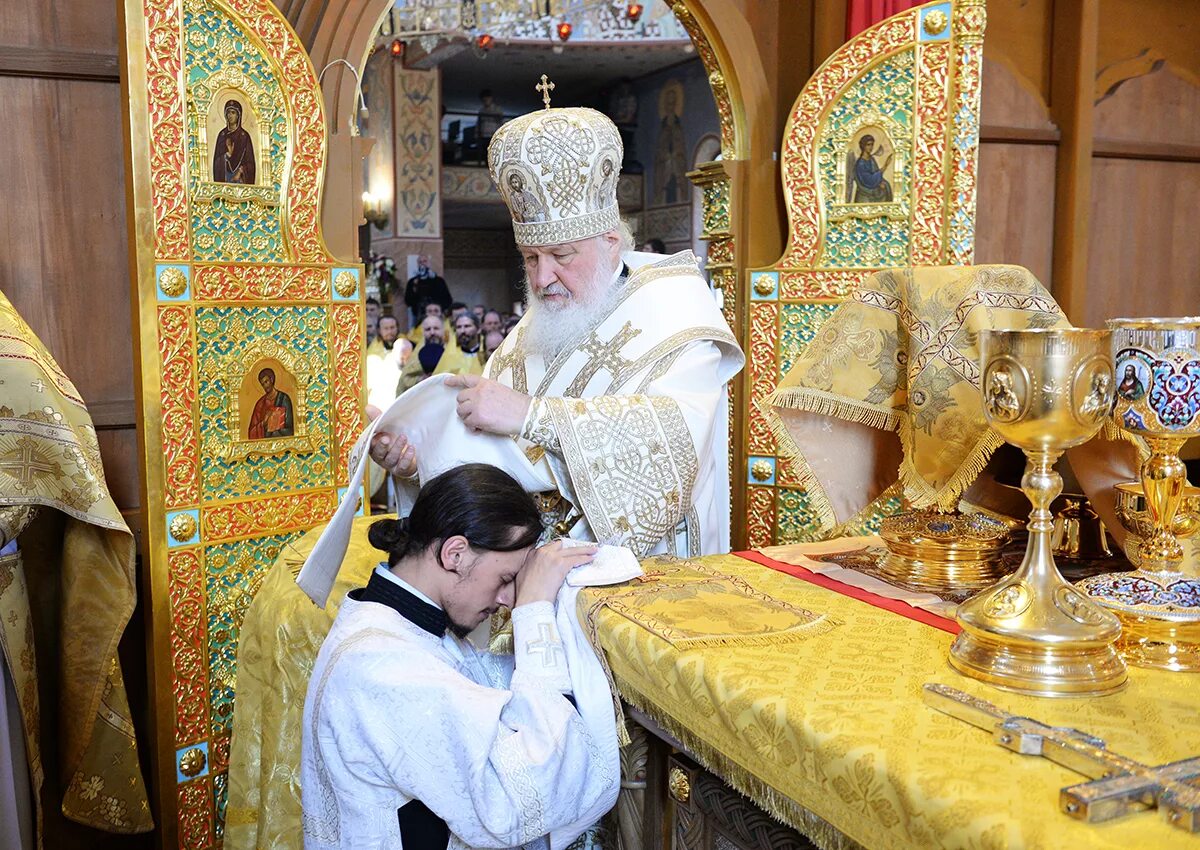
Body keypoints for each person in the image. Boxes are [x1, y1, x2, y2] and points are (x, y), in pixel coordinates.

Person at [372, 94, 744, 556]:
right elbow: (493, 458)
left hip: (637, 583)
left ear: (610, 242)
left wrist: (531, 415)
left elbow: (672, 444)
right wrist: (418, 459)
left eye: (560, 256)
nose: (542, 278)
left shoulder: (675, 312)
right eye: (530, 259)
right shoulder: (532, 330)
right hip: (521, 577)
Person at [301, 465, 615, 849]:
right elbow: (516, 804)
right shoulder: (382, 667)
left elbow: (482, 695)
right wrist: (533, 610)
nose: (505, 601)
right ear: (455, 554)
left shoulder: (397, 622)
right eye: (504, 580)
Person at [397, 314, 447, 393]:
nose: (432, 332)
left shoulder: (452, 352)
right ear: (423, 332)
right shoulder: (416, 354)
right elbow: (404, 380)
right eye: (428, 329)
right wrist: (420, 379)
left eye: (436, 328)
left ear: (443, 330)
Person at [212, 98, 256, 184]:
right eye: (228, 113)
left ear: (238, 115)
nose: (230, 116)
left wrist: (240, 171)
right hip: (225, 177)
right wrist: (226, 156)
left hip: (240, 179)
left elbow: (250, 163)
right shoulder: (222, 135)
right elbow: (216, 161)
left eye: (233, 113)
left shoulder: (244, 136)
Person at [433, 312, 485, 378]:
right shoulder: (450, 355)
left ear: (479, 329)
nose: (462, 331)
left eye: (467, 326)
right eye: (459, 327)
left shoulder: (487, 352)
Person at [403, 255, 451, 326]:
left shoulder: (439, 281)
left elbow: (448, 299)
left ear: (429, 263)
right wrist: (414, 288)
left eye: (425, 261)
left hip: (437, 316)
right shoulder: (412, 282)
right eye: (420, 262)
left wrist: (438, 309)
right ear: (417, 265)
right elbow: (408, 301)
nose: (422, 264)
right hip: (419, 317)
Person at [248, 367, 295, 439]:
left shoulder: (283, 398)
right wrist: (263, 423)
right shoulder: (260, 403)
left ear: (272, 380)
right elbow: (252, 431)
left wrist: (274, 428)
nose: (265, 386)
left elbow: (290, 428)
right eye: (262, 384)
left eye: (266, 382)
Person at [848, 134, 893, 203]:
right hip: (865, 195)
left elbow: (876, 175)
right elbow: (869, 180)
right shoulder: (860, 163)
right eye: (868, 145)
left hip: (873, 190)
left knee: (886, 186)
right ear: (863, 146)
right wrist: (885, 166)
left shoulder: (872, 159)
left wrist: (880, 183)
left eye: (872, 145)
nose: (871, 147)